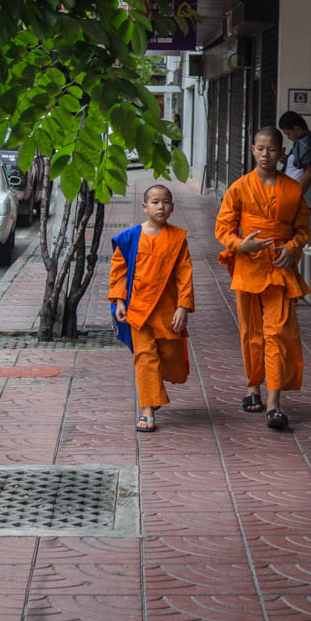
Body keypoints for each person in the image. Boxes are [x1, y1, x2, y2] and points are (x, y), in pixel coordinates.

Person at [215, 126, 311, 431]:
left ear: (282, 154)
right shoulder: (239, 188)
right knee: (250, 331)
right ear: (252, 150)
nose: (266, 154)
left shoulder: (293, 190)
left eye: (272, 149)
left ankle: (274, 402)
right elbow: (223, 228)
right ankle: (252, 386)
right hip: (248, 267)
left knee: (278, 332)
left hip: (280, 269)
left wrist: (293, 249)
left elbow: (303, 230)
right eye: (260, 148)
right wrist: (241, 245)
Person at [109, 184, 195, 434]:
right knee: (145, 358)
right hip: (138, 309)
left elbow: (184, 274)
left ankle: (154, 391)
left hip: (167, 309)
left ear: (172, 208)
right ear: (145, 207)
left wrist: (183, 306)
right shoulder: (130, 237)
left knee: (169, 356)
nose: (161, 206)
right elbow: (119, 271)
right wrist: (119, 301)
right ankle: (147, 409)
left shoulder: (178, 238)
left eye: (166, 202)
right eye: (155, 202)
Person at [278, 111, 311, 212]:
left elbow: (308, 174)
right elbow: (300, 167)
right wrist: (287, 160)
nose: (288, 138)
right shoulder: (304, 143)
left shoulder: (307, 144)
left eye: (288, 134)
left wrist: (294, 199)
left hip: (298, 203)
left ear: (297, 129)